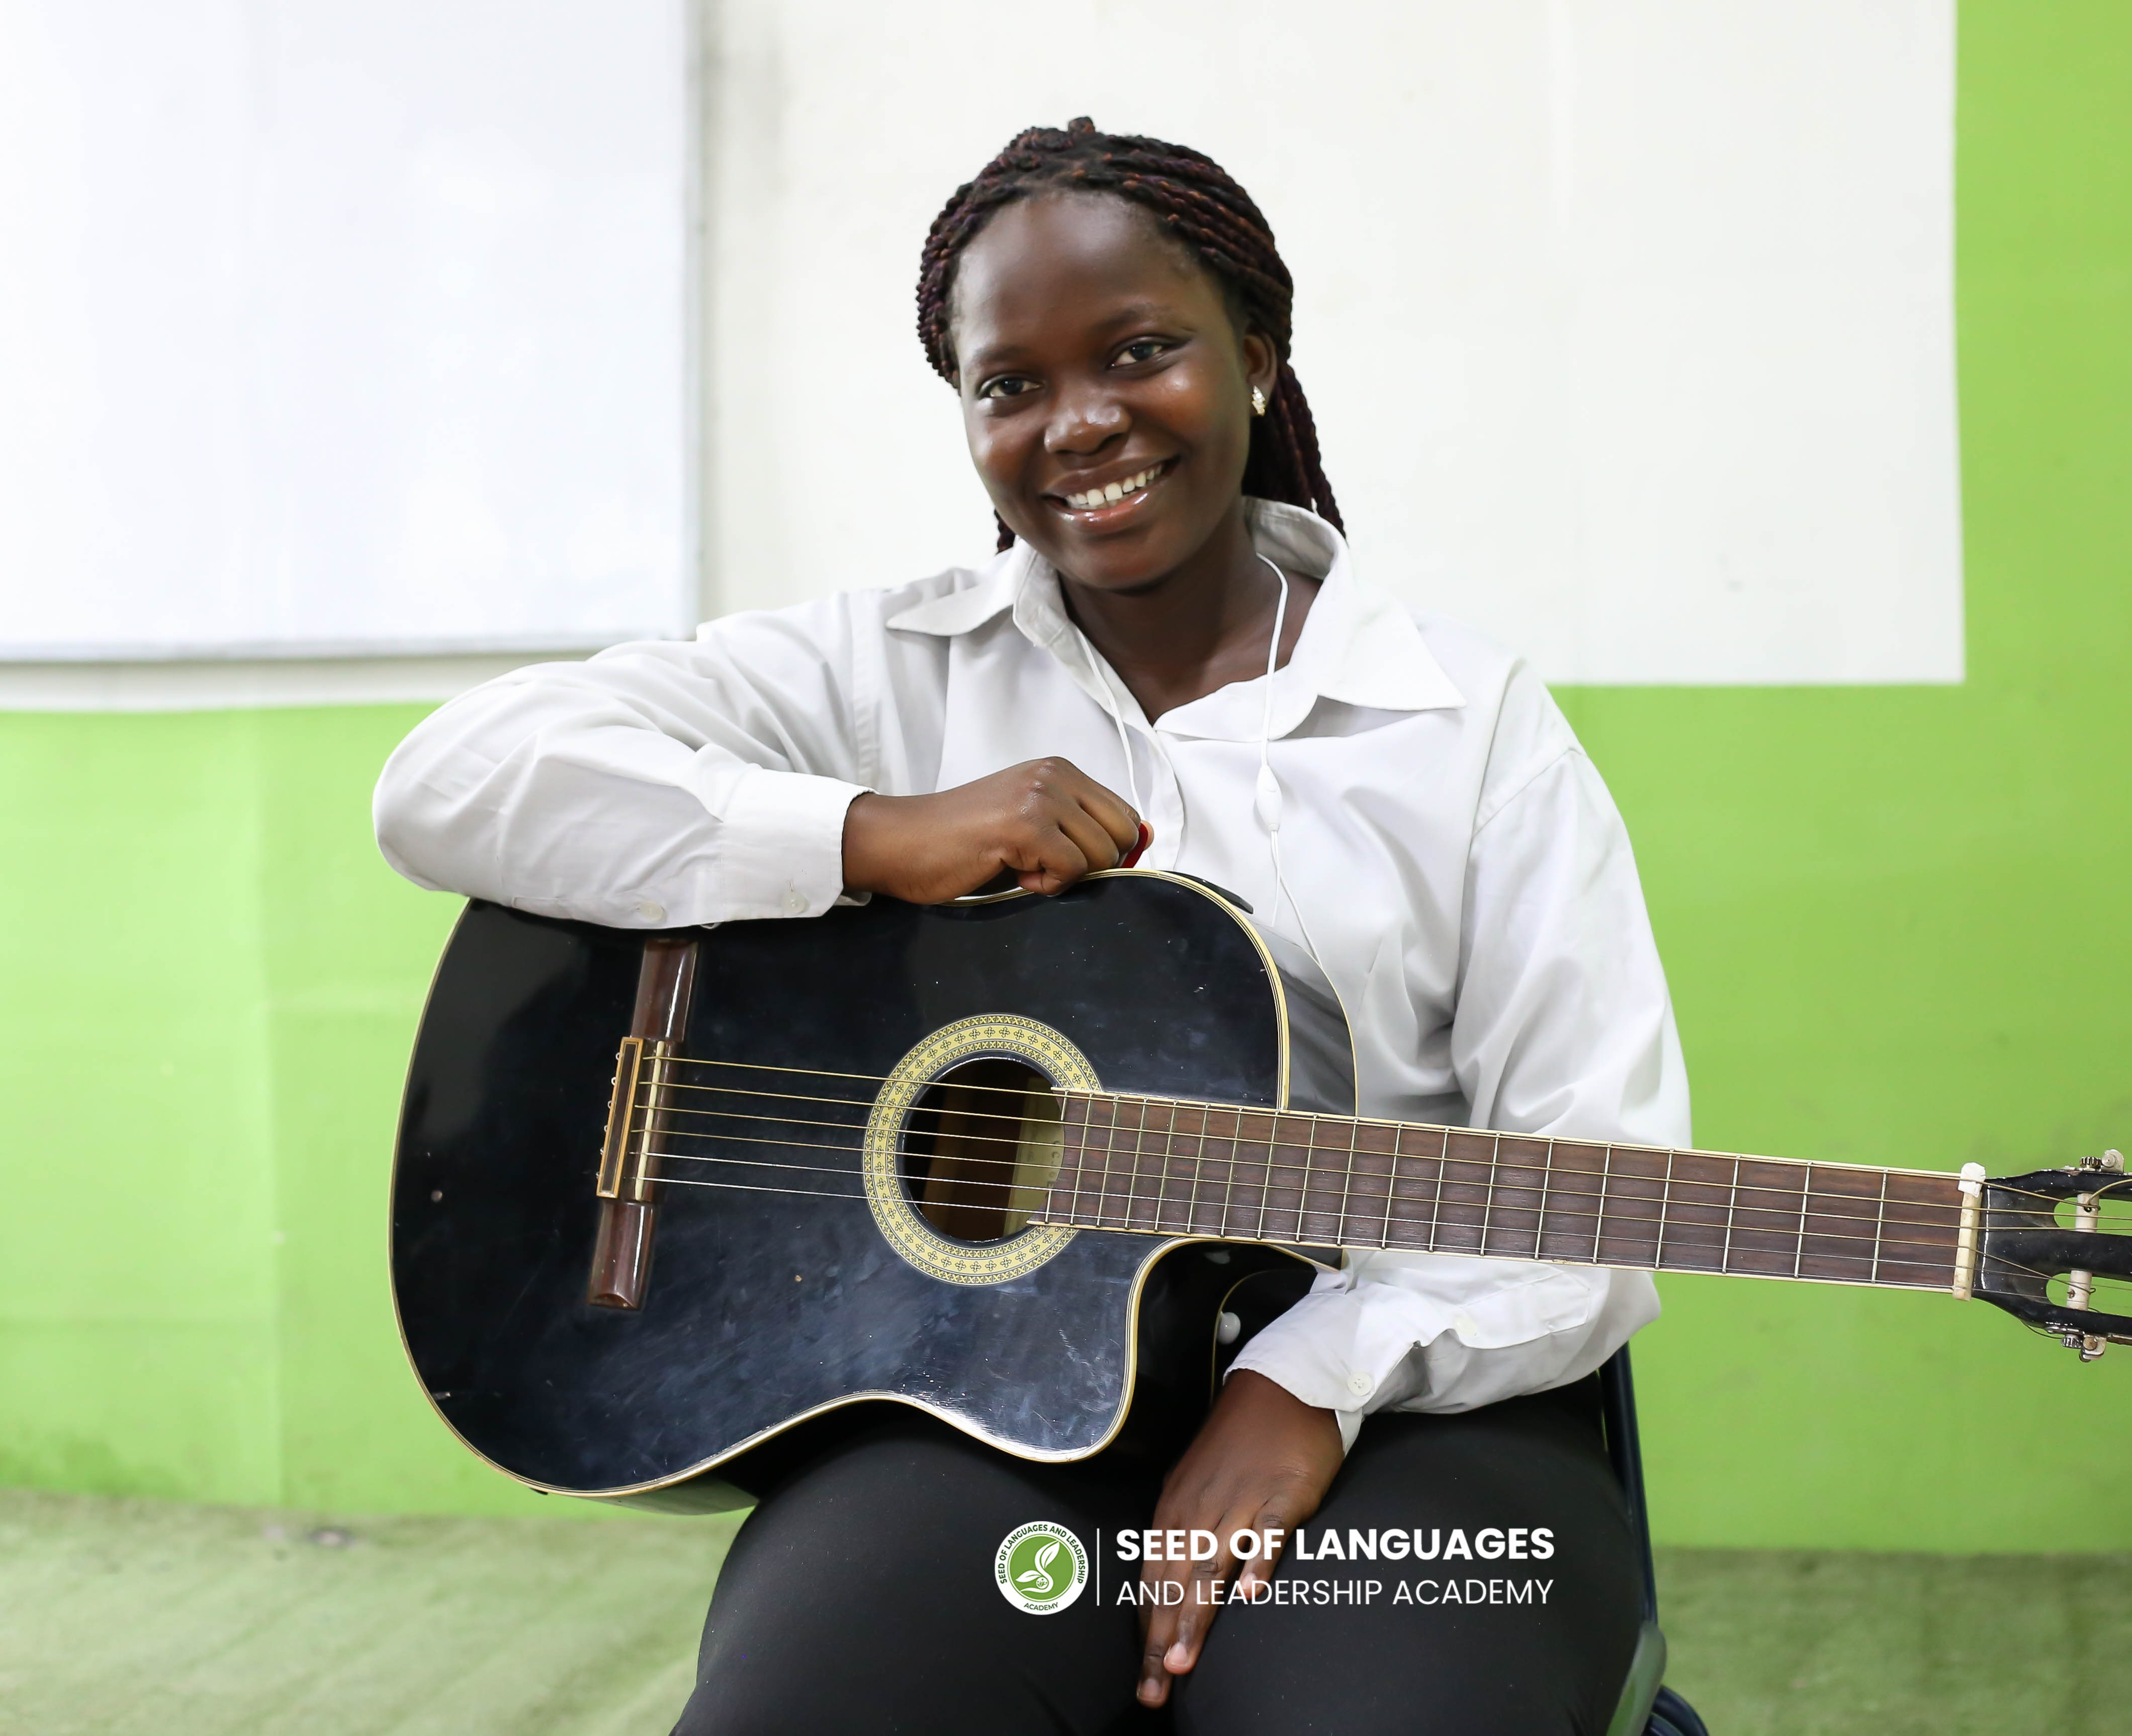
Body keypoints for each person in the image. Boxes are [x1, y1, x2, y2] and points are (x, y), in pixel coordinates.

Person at [375, 118, 1687, 1735]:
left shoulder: (1462, 722)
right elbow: (446, 782)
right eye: (1011, 385)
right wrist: (865, 829)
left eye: (1142, 352)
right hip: (976, 1421)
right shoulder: (879, 675)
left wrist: (1313, 1377)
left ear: (1259, 361)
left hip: (1402, 1425)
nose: (1082, 425)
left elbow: (1600, 1177)